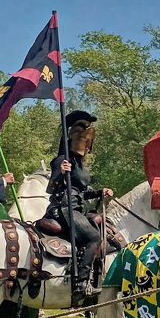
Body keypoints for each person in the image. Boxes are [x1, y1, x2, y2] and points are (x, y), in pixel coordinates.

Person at [45, 111, 116, 303]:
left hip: (78, 208)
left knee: (102, 229)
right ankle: (80, 285)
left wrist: (99, 192)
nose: (84, 133)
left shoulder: (80, 165)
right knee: (93, 238)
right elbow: (51, 188)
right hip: (63, 208)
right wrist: (60, 173)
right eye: (79, 128)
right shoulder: (62, 160)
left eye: (86, 128)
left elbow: (81, 192)